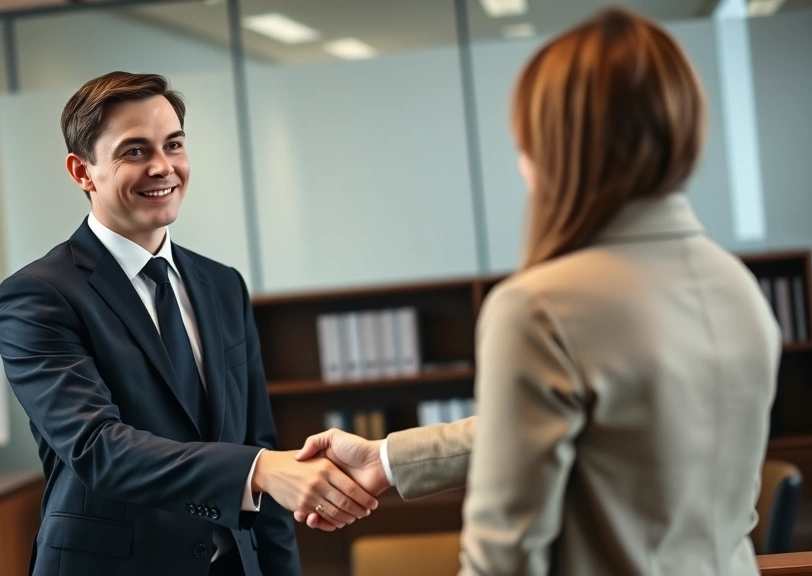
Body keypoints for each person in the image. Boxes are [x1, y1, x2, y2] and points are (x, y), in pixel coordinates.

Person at [296, 8, 780, 576]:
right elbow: (609, 432)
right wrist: (385, 458)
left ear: (557, 148)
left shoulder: (541, 308)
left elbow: (504, 558)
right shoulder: (737, 288)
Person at [0, 72, 377, 576]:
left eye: (173, 144)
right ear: (82, 172)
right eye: (134, 151)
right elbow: (97, 448)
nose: (163, 167)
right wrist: (259, 471)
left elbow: (257, 440)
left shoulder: (222, 285)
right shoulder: (39, 295)